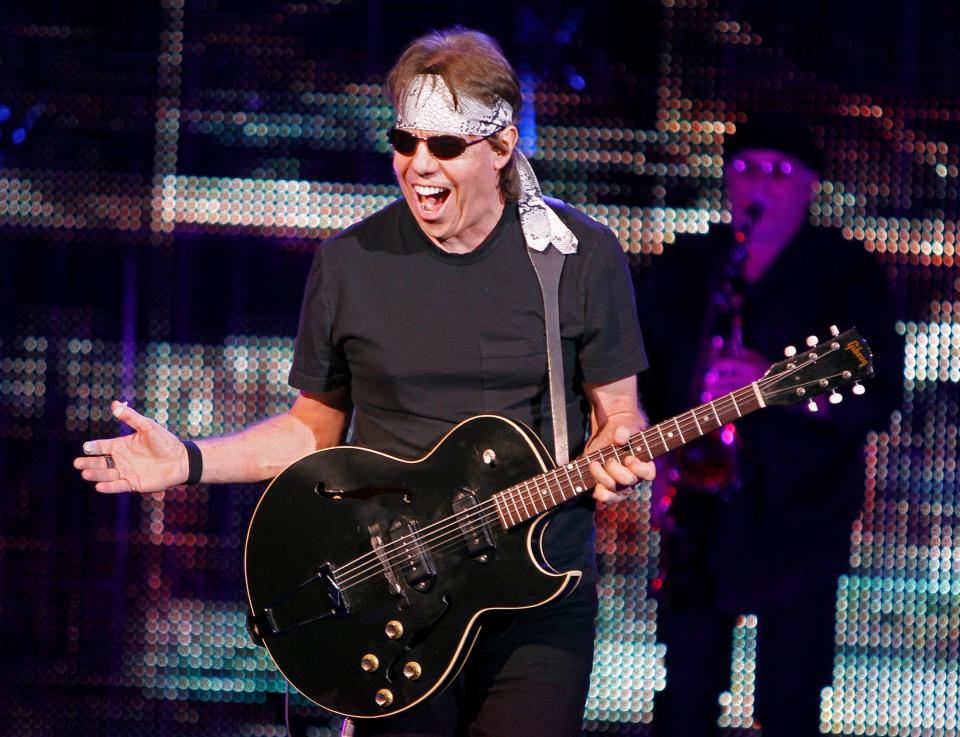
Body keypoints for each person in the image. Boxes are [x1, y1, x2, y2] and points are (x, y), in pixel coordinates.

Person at [74, 27, 654, 737]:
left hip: (537, 595)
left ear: (502, 147)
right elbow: (309, 431)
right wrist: (190, 460)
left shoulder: (578, 255)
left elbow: (617, 415)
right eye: (404, 141)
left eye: (444, 146)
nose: (417, 165)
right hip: (395, 596)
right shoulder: (351, 261)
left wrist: (618, 454)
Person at [634, 114, 902, 736]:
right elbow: (640, 377)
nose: (762, 184)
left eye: (781, 172)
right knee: (686, 693)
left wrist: (771, 383)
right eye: (748, 167)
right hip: (699, 513)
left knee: (790, 695)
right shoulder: (690, 266)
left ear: (810, 185)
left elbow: (875, 385)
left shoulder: (846, 272)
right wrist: (661, 460)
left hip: (803, 511)